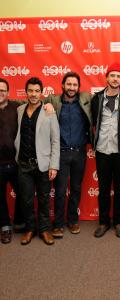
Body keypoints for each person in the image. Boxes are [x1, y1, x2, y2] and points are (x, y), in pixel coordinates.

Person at [91, 63, 120, 238]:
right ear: (107, 77)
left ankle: (119, 222)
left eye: (119, 76)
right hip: (102, 151)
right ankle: (103, 222)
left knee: (119, 189)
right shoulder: (96, 99)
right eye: (112, 75)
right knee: (103, 189)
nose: (115, 79)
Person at [45, 72, 93, 238]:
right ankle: (57, 224)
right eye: (69, 84)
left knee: (76, 189)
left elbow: (105, 97)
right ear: (63, 85)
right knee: (59, 190)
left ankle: (72, 221)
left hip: (80, 153)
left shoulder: (86, 100)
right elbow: (31, 102)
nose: (72, 88)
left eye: (75, 85)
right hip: (60, 154)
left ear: (79, 87)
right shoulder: (53, 101)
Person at [15, 77, 60, 245]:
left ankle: (44, 230)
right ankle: (30, 229)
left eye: (36, 91)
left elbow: (55, 140)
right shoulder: (19, 110)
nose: (33, 94)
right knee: (26, 200)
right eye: (30, 91)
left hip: (43, 165)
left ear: (41, 93)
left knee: (44, 199)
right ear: (26, 92)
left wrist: (54, 165)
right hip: (23, 164)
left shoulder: (49, 111)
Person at [0, 78, 25, 244]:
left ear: (8, 92)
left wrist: (48, 105)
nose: (0, 93)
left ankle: (19, 222)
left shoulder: (18, 107)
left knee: (23, 193)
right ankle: (5, 227)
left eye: (2, 90)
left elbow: (35, 103)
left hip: (17, 162)